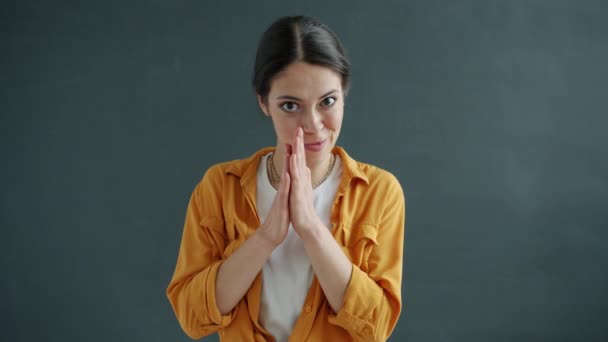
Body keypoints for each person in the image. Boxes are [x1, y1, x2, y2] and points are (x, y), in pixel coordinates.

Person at [166, 15, 406, 342]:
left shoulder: (379, 192)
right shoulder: (219, 187)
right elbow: (192, 316)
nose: (314, 124)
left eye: (328, 101)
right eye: (291, 105)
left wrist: (310, 228)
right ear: (264, 103)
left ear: (344, 94)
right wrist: (265, 238)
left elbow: (376, 328)